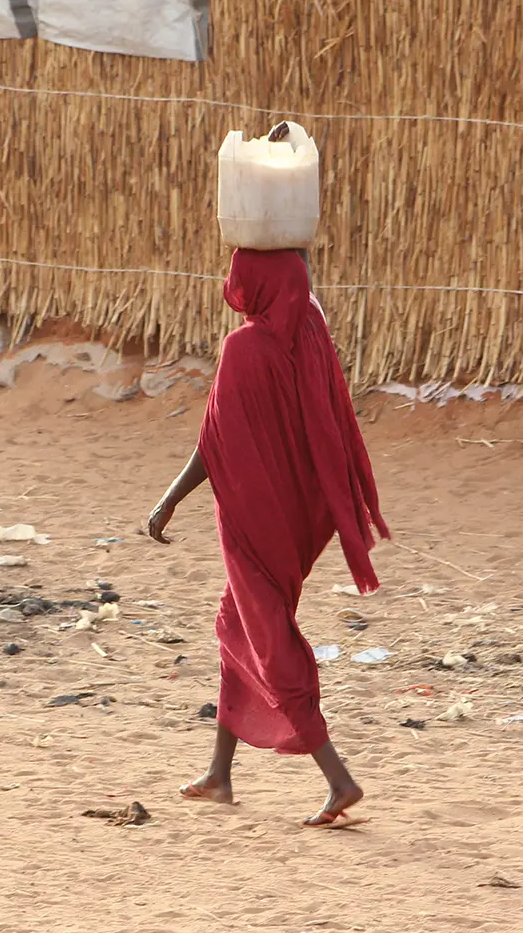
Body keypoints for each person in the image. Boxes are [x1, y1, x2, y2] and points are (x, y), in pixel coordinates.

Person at [146, 246, 391, 827]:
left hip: (254, 520)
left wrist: (168, 500)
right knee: (238, 625)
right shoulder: (310, 334)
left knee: (269, 638)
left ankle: (339, 778)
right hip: (301, 522)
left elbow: (214, 444)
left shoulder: (243, 349)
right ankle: (220, 774)